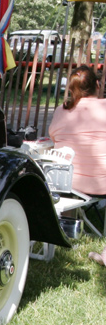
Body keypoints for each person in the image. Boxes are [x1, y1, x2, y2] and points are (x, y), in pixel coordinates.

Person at [49, 65, 106, 265]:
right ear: (97, 85)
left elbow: (54, 137)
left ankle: (67, 230)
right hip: (101, 183)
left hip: (68, 184)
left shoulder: (61, 110)